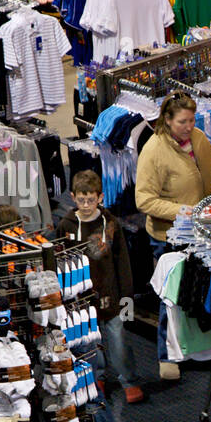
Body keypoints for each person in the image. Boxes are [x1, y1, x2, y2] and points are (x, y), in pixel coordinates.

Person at [135, 92, 211, 381]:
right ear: (167, 120)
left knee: (206, 290)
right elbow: (144, 201)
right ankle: (167, 357)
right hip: (169, 235)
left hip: (203, 230)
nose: (188, 126)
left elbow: (207, 167)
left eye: (192, 120)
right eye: (182, 121)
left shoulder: (200, 137)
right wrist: (183, 210)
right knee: (174, 298)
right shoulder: (153, 152)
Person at [57, 170, 143, 405]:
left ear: (100, 197)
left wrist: (127, 297)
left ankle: (129, 380)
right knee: (91, 342)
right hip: (82, 300)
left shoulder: (110, 223)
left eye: (91, 199)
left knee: (118, 339)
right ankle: (99, 375)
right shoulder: (65, 224)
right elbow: (60, 262)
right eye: (81, 199)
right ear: (73, 197)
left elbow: (122, 262)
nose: (86, 205)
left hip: (112, 296)